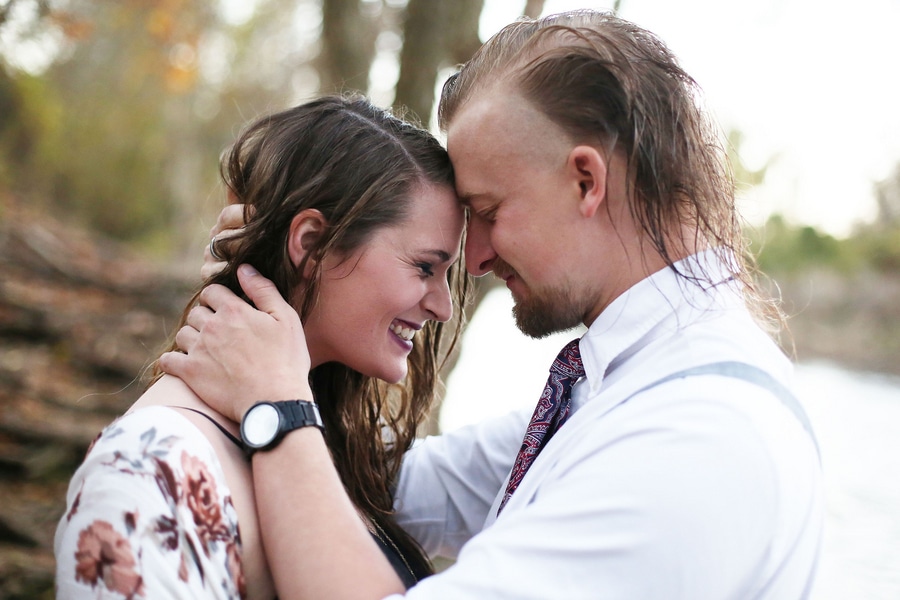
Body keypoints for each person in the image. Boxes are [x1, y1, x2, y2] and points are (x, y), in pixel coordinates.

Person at [161, 10, 824, 599]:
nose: (473, 259)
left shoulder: (697, 438)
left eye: (488, 210)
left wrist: (275, 408)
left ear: (586, 181)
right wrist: (283, 293)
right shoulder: (624, 385)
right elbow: (400, 487)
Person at [54, 95, 468, 599]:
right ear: (310, 244)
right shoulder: (149, 468)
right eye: (424, 267)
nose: (443, 307)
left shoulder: (338, 447)